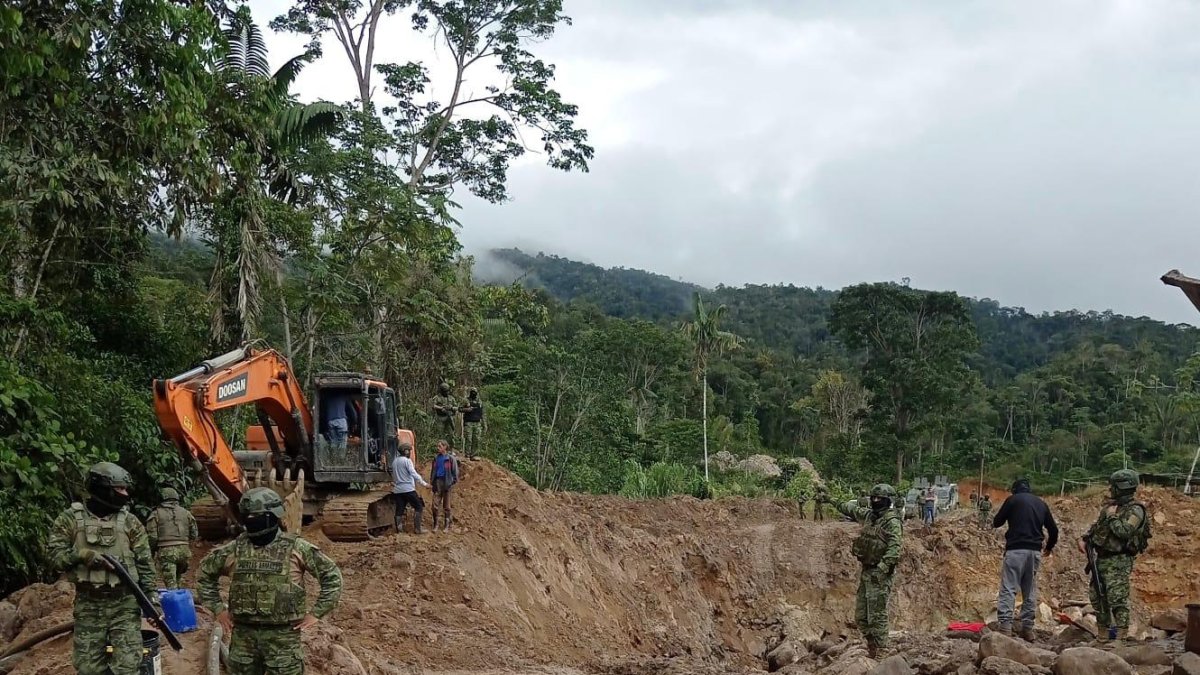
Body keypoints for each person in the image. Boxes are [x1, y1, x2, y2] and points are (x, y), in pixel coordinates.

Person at [199, 488, 342, 675]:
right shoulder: (234, 549)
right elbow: (204, 575)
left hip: (283, 638)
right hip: (244, 636)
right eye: (247, 516)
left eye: (256, 515)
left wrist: (316, 613)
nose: (251, 520)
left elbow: (332, 576)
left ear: (273, 515)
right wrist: (218, 609)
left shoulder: (297, 548)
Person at [47, 462, 160, 675]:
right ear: (102, 489)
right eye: (119, 489)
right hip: (89, 604)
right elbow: (54, 557)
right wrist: (83, 555)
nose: (125, 494)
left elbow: (145, 566)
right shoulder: (70, 519)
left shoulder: (130, 523)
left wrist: (152, 602)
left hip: (125, 603)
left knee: (128, 666)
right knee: (88, 668)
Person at [819, 484, 902, 658]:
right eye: (874, 498)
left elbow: (895, 549)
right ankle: (872, 647)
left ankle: (883, 650)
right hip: (867, 571)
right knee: (861, 617)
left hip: (879, 574)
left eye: (879, 499)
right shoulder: (870, 516)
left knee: (877, 615)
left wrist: (881, 570)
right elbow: (849, 508)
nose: (875, 501)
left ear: (887, 501)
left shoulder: (892, 522)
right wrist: (829, 499)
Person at [1079, 469, 1151, 643]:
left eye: (1114, 486)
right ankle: (1103, 636)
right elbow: (1097, 529)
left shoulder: (1136, 510)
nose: (1111, 489)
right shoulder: (1110, 508)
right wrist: (1084, 539)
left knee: (1117, 598)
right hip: (1101, 559)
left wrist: (1112, 516)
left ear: (1123, 487)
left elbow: (1124, 532)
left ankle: (1120, 637)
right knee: (1097, 597)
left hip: (1119, 560)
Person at [991, 477, 1058, 641]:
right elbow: (1054, 530)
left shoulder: (1012, 500)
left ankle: (1005, 627)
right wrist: (1048, 548)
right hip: (1034, 552)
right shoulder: (1041, 503)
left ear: (1015, 490)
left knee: (1009, 588)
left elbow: (997, 522)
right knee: (1029, 590)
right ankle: (1028, 629)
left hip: (1015, 550)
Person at [145, 487, 198, 589]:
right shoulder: (186, 513)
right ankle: (182, 601)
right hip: (184, 551)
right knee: (178, 579)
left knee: (171, 585)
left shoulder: (156, 514)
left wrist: (152, 551)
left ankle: (174, 603)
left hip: (167, 552)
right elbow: (194, 534)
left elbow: (152, 537)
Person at [391, 442, 429, 534]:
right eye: (409, 451)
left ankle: (399, 530)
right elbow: (413, 473)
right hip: (408, 489)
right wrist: (424, 484)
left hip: (398, 490)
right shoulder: (407, 461)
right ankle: (417, 529)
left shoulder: (394, 461)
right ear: (406, 451)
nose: (410, 453)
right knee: (419, 506)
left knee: (399, 509)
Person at [430, 440, 460, 532]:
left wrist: (452, 482)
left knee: (446, 506)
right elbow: (433, 470)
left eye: (440, 446)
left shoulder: (450, 459)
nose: (438, 448)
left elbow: (455, 472)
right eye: (437, 446)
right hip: (438, 482)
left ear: (445, 447)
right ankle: (436, 524)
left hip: (447, 482)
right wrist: (432, 481)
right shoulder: (436, 458)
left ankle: (447, 526)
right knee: (434, 505)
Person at [459, 388, 484, 459]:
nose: (474, 393)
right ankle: (467, 454)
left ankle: (474, 454)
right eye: (472, 392)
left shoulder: (479, 401)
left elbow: (482, 412)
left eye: (475, 392)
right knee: (468, 439)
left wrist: (483, 422)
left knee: (476, 439)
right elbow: (460, 409)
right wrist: (467, 409)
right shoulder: (466, 400)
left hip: (477, 422)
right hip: (468, 422)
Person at [431, 383, 458, 448]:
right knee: (440, 434)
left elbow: (457, 407)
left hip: (449, 417)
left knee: (451, 434)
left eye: (447, 391)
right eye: (445, 391)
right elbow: (433, 405)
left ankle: (450, 449)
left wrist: (451, 408)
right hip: (440, 417)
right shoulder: (437, 398)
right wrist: (441, 408)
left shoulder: (451, 398)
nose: (447, 392)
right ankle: (440, 449)